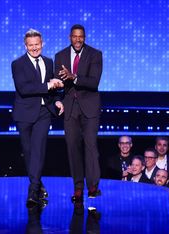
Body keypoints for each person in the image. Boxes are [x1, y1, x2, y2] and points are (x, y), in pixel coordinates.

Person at [11, 28, 64, 206]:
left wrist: (57, 100)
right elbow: (24, 89)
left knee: (38, 151)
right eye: (31, 45)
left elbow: (54, 87)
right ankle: (38, 184)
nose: (34, 48)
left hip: (43, 113)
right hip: (24, 113)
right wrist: (48, 85)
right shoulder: (17, 64)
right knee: (29, 153)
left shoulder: (49, 62)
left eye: (37, 44)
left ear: (42, 44)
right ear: (25, 45)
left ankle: (33, 192)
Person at [54, 24, 103, 202]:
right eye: (75, 36)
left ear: (85, 37)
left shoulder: (95, 54)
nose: (78, 39)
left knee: (90, 147)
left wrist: (73, 76)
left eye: (81, 36)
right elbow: (57, 81)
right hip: (70, 108)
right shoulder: (60, 56)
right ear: (70, 37)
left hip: (89, 107)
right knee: (73, 148)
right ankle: (78, 188)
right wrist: (57, 95)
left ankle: (93, 186)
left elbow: (94, 82)